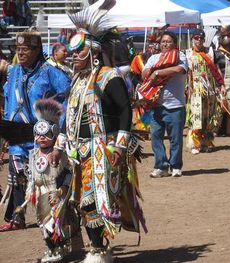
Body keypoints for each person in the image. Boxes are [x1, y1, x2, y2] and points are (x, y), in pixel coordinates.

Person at [50, 2, 147, 262]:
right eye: (72, 52)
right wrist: (59, 148)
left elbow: (125, 111)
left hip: (101, 148)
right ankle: (98, 250)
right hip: (76, 151)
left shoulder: (108, 76)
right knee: (78, 201)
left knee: (95, 200)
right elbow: (67, 118)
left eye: (79, 51)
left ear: (92, 52)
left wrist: (120, 145)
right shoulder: (76, 81)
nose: (73, 56)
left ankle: (99, 252)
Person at [0, 29, 71, 232]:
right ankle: (17, 218)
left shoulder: (51, 72)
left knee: (48, 180)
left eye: (25, 50)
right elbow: (8, 98)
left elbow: (67, 99)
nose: (20, 53)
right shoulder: (13, 72)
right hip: (17, 135)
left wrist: (59, 129)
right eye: (18, 49)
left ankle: (55, 218)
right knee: (16, 178)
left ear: (37, 50)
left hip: (43, 136)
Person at [25, 98, 79, 263]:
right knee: (43, 224)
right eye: (38, 135)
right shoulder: (33, 154)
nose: (42, 138)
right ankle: (52, 248)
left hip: (56, 194)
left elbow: (70, 173)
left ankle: (58, 249)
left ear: (55, 132)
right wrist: (30, 189)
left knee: (54, 223)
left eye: (46, 134)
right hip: (41, 193)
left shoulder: (61, 155)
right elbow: (32, 176)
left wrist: (63, 189)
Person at [141, 31, 188, 178]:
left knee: (176, 138)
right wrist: (152, 71)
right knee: (155, 137)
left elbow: (179, 69)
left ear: (174, 44)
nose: (165, 44)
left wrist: (157, 73)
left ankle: (175, 166)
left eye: (168, 42)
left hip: (175, 105)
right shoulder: (154, 58)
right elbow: (144, 74)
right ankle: (161, 166)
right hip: (156, 104)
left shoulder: (180, 56)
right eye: (162, 42)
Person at [185, 29, 224, 154]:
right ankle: (194, 143)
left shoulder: (210, 52)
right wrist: (187, 87)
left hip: (209, 89)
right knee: (196, 114)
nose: (199, 41)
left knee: (208, 115)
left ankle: (205, 142)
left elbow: (215, 70)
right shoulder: (188, 54)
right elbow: (187, 73)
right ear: (192, 39)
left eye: (201, 38)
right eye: (196, 38)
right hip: (196, 88)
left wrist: (221, 84)